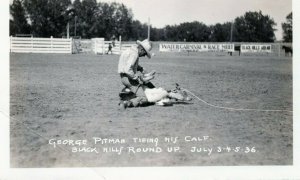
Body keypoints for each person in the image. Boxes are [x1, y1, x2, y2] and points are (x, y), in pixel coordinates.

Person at [118, 39, 155, 108]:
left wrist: (140, 68)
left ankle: (128, 96)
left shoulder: (130, 50)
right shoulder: (134, 54)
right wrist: (136, 78)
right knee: (144, 98)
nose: (144, 56)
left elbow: (128, 64)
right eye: (144, 53)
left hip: (123, 77)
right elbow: (128, 69)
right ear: (142, 50)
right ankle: (127, 103)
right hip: (128, 78)